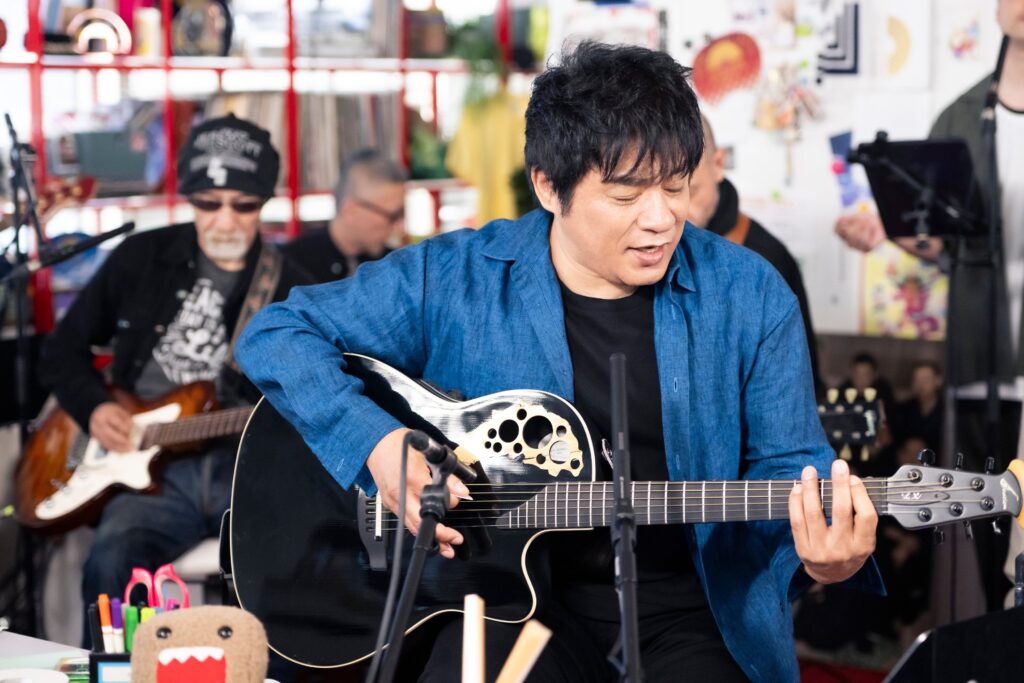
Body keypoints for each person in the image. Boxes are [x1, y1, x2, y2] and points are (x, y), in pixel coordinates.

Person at [237, 42, 880, 682]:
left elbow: (790, 468)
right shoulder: (457, 275)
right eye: (626, 197)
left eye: (677, 186)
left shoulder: (750, 293)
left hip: (690, 611)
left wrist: (824, 556)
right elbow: (277, 332)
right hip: (495, 603)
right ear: (548, 185)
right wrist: (374, 443)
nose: (661, 219)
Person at [38, 114, 311, 624]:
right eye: (208, 204)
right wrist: (94, 408)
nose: (225, 220)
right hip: (147, 469)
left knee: (295, 564)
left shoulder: (292, 286)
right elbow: (61, 351)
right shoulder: (141, 257)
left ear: (263, 203)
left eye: (243, 205)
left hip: (241, 464)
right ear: (189, 198)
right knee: (110, 562)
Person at [834, 0, 1024, 611]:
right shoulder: (962, 117)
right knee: (992, 536)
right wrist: (888, 230)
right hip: (981, 362)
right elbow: (941, 244)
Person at [687, 114, 821, 392]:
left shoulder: (767, 258)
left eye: (692, 191)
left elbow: (797, 381)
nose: (677, 213)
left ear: (719, 164)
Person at [282, 148, 407, 283]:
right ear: (350, 210)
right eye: (392, 216)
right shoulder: (293, 265)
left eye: (403, 212)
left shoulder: (393, 265)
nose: (399, 227)